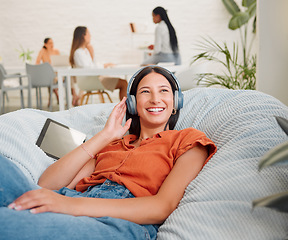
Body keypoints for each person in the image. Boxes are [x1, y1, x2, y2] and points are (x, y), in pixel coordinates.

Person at [0, 66, 217, 240]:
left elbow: (162, 206)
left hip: (120, 223)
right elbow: (46, 185)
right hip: (74, 201)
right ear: (133, 103)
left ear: (175, 102)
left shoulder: (187, 139)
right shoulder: (112, 144)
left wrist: (72, 205)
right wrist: (104, 135)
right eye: (145, 92)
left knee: (8, 223)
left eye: (163, 91)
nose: (155, 99)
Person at [69, 26, 128, 105]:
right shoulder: (78, 52)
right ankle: (125, 109)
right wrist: (104, 65)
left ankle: (124, 108)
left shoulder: (84, 51)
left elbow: (92, 65)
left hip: (93, 79)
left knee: (123, 82)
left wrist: (92, 52)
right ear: (83, 36)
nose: (90, 36)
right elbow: (89, 68)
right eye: (88, 33)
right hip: (91, 81)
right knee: (123, 83)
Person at [35, 38, 60, 106]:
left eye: (52, 43)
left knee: (51, 78)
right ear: (45, 44)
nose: (52, 45)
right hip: (47, 74)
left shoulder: (56, 51)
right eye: (50, 43)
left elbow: (60, 63)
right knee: (50, 78)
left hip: (56, 74)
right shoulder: (42, 51)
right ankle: (56, 95)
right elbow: (37, 62)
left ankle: (50, 99)